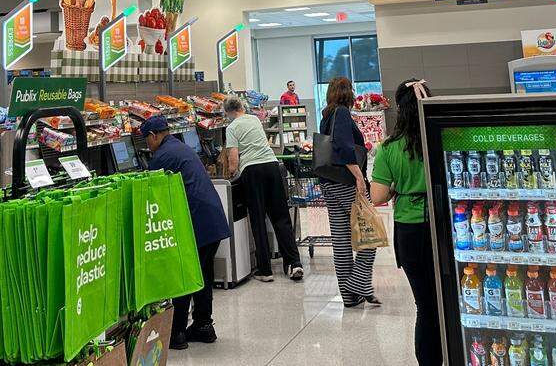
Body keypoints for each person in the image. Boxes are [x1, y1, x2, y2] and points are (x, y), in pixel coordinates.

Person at [140, 115, 230, 351]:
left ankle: (177, 332)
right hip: (211, 220)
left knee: (184, 275)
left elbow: (147, 188)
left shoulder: (163, 156)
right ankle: (203, 326)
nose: (146, 146)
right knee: (202, 275)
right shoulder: (179, 146)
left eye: (146, 140)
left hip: (199, 223)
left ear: (153, 136)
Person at [370, 80, 440, 363]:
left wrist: (400, 185)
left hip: (410, 230)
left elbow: (377, 196)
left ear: (399, 109)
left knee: (425, 306)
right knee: (449, 298)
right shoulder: (440, 135)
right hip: (448, 224)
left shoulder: (389, 147)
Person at [222, 97, 303, 281]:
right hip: (273, 167)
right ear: (242, 107)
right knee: (281, 217)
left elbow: (233, 158)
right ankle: (294, 263)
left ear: (228, 112)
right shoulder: (254, 119)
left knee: (258, 219)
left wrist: (231, 174)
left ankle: (265, 270)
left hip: (253, 171)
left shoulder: (232, 127)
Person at [318, 75, 378, 308]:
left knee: (341, 240)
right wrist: (359, 177)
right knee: (370, 235)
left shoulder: (326, 115)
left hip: (328, 182)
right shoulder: (341, 112)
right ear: (348, 92)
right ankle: (357, 283)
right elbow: (342, 147)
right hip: (345, 182)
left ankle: (348, 296)